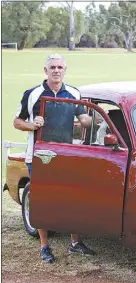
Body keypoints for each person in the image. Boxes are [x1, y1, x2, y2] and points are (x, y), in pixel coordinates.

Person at [13, 54, 96, 264]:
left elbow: (83, 117)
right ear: (46, 70)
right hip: (39, 155)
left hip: (66, 154)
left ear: (65, 70)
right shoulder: (33, 94)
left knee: (72, 198)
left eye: (60, 67)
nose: (56, 70)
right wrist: (32, 125)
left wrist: (90, 120)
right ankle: (44, 247)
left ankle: (75, 242)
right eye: (53, 67)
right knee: (43, 201)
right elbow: (17, 121)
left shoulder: (74, 92)